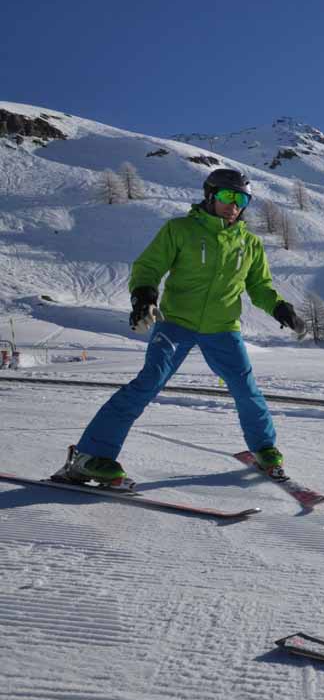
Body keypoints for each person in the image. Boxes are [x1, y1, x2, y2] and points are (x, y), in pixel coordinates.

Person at [56, 169, 305, 486]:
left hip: (222, 327)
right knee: (148, 382)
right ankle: (90, 456)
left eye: (241, 199)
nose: (234, 205)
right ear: (210, 195)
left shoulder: (249, 244)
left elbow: (260, 287)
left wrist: (281, 308)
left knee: (246, 388)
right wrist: (144, 295)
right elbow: (149, 266)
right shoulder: (180, 230)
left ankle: (264, 448)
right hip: (176, 323)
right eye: (228, 196)